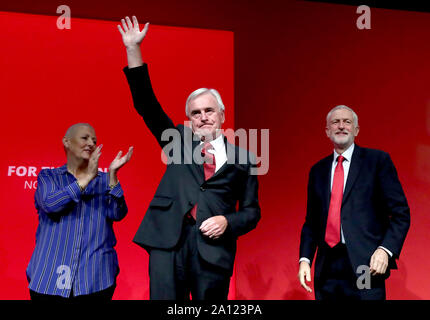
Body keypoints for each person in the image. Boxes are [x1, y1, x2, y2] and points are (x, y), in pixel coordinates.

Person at [118, 16, 260, 300]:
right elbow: (146, 104)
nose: (203, 117)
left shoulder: (245, 158)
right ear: (189, 119)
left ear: (222, 115)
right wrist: (133, 49)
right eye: (196, 113)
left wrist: (227, 222)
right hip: (167, 242)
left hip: (213, 249)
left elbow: (251, 211)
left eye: (209, 111)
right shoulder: (178, 140)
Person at [298, 105, 410, 300]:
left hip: (365, 266)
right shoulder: (317, 170)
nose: (341, 126)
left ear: (356, 130)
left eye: (347, 122)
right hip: (327, 269)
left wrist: (385, 250)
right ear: (327, 131)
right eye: (335, 122)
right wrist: (305, 259)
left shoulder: (377, 161)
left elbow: (401, 214)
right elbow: (312, 222)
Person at [26, 123, 133, 301]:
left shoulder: (105, 180)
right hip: (48, 279)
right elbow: (51, 204)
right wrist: (86, 179)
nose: (91, 143)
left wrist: (113, 175)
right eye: (85, 138)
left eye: (94, 140)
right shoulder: (49, 177)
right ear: (67, 142)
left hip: (96, 280)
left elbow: (118, 213)